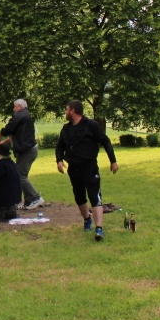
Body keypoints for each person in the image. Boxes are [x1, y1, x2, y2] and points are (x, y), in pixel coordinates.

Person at [55, 100, 118, 242]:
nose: (65, 112)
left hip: (89, 166)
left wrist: (113, 161)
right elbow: (59, 146)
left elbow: (105, 141)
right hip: (73, 168)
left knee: (94, 196)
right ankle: (86, 219)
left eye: (66, 109)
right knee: (79, 197)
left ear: (72, 111)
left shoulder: (91, 126)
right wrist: (59, 160)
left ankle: (99, 228)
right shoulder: (66, 129)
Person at [0, 98, 43, 210]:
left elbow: (10, 127)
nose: (14, 109)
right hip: (27, 150)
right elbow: (16, 134)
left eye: (15, 106)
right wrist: (2, 142)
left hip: (27, 151)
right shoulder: (24, 117)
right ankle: (29, 201)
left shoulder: (20, 115)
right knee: (22, 175)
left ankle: (35, 197)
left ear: (20, 107)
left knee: (19, 175)